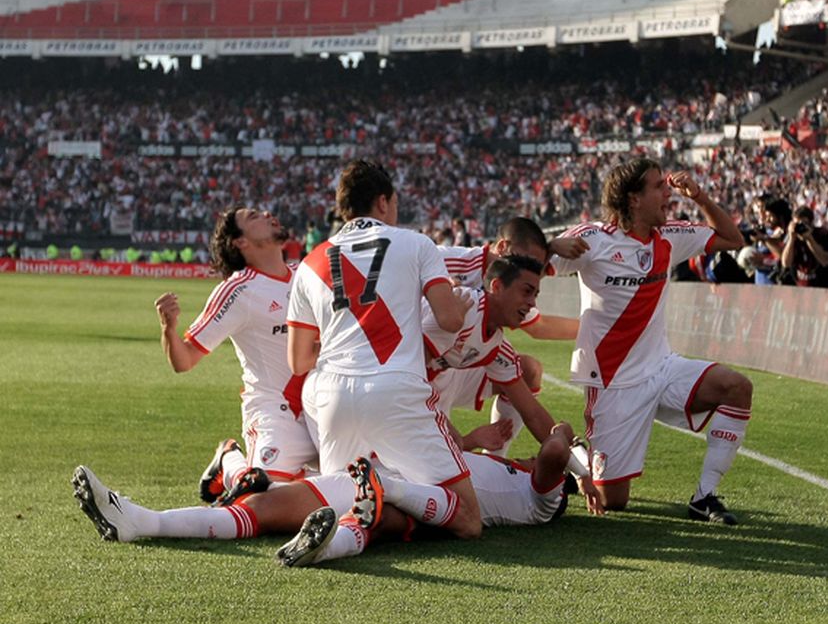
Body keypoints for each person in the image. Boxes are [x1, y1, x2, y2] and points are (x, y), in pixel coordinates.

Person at [286, 158, 483, 539]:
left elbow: (298, 361)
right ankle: (390, 488)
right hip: (397, 390)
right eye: (394, 202)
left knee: (347, 508)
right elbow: (448, 319)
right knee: (468, 518)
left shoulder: (309, 263)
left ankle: (341, 543)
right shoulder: (416, 243)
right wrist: (460, 307)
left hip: (334, 397)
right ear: (382, 202)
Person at [551, 158, 752, 524]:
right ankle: (574, 453)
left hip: (662, 368)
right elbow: (533, 260)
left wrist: (700, 197)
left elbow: (733, 238)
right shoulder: (593, 239)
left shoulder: (670, 237)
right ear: (633, 199)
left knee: (736, 387)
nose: (668, 193)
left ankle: (703, 497)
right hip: (613, 383)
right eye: (659, 187)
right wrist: (550, 243)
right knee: (613, 501)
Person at [70, 422, 583, 564]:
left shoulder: (542, 499)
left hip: (424, 509)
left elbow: (555, 454)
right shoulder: (505, 468)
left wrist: (565, 435)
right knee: (264, 506)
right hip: (375, 474)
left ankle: (334, 539)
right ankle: (143, 521)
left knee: (379, 515)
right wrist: (477, 439)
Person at [154, 207, 315, 504]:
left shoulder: (307, 274)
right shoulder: (238, 291)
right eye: (254, 216)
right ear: (240, 242)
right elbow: (184, 360)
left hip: (320, 409)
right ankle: (230, 461)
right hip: (275, 412)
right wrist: (168, 328)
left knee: (351, 489)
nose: (267, 213)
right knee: (263, 501)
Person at [439, 216, 583, 456]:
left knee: (527, 370)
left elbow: (539, 326)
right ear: (503, 247)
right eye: (527, 259)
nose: (530, 268)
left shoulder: (505, 306)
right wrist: (467, 440)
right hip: (415, 371)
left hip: (453, 367)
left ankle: (496, 458)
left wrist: (596, 329)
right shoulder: (448, 262)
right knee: (436, 457)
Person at [780, 205, 828, 289]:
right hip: (801, 288)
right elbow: (785, 263)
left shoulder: (822, 235)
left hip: (823, 286)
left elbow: (825, 261)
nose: (801, 227)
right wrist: (791, 239)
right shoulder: (793, 238)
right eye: (797, 224)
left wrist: (810, 239)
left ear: (811, 223)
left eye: (804, 224)